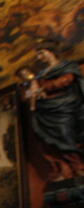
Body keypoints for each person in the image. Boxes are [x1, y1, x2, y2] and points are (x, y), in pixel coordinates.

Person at [27, 46, 84, 182]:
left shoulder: (67, 65)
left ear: (51, 51)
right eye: (38, 55)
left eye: (41, 53)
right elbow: (30, 93)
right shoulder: (40, 74)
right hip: (45, 110)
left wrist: (44, 87)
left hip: (64, 105)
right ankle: (64, 168)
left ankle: (79, 167)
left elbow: (67, 80)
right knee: (46, 140)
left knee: (65, 134)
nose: (39, 57)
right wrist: (31, 93)